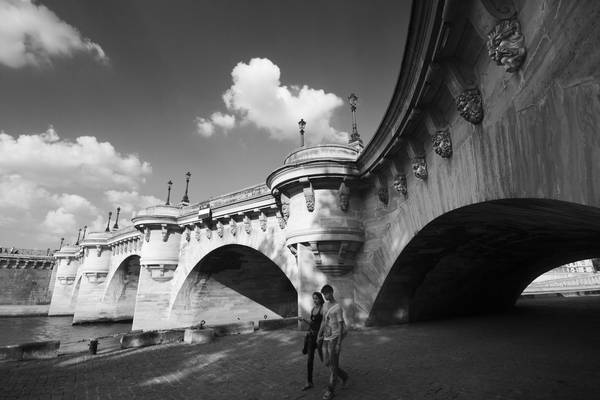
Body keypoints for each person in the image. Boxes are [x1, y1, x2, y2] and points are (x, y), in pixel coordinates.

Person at [318, 284, 348, 400]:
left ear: (332, 292)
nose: (325, 296)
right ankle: (344, 376)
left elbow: (341, 326)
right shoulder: (325, 306)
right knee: (327, 363)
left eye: (327, 293)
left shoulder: (338, 307)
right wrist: (319, 335)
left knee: (334, 365)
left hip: (335, 338)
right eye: (324, 294)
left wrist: (339, 344)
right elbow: (323, 321)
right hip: (326, 337)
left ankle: (330, 391)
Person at [299, 292, 325, 391]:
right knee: (310, 360)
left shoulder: (323, 309)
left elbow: (325, 323)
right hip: (311, 336)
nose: (315, 300)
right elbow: (312, 323)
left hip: (319, 338)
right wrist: (304, 320)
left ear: (320, 299)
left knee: (325, 359)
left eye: (317, 298)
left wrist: (321, 335)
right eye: (313, 298)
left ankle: (337, 374)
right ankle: (309, 382)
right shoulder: (313, 309)